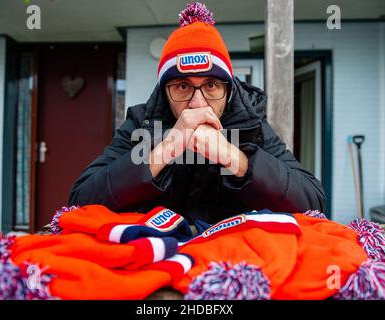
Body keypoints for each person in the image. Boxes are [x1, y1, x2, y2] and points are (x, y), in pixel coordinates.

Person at [68, 3, 326, 224]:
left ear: (229, 89)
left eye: (211, 85)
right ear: (164, 91)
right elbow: (80, 201)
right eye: (182, 86)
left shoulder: (249, 123)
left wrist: (236, 159)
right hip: (161, 258)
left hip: (232, 262)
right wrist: (163, 151)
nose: (198, 103)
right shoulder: (142, 123)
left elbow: (312, 201)